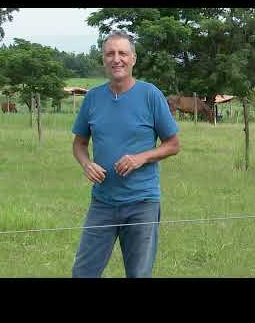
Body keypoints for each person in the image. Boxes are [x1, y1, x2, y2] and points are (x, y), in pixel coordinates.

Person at [71, 30, 180, 278]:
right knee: (83, 272)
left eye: (122, 53)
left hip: (142, 203)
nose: (116, 59)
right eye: (110, 53)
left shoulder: (150, 95)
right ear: (103, 60)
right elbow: (78, 144)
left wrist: (140, 158)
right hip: (103, 202)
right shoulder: (93, 98)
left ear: (133, 59)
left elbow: (173, 144)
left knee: (138, 274)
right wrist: (86, 163)